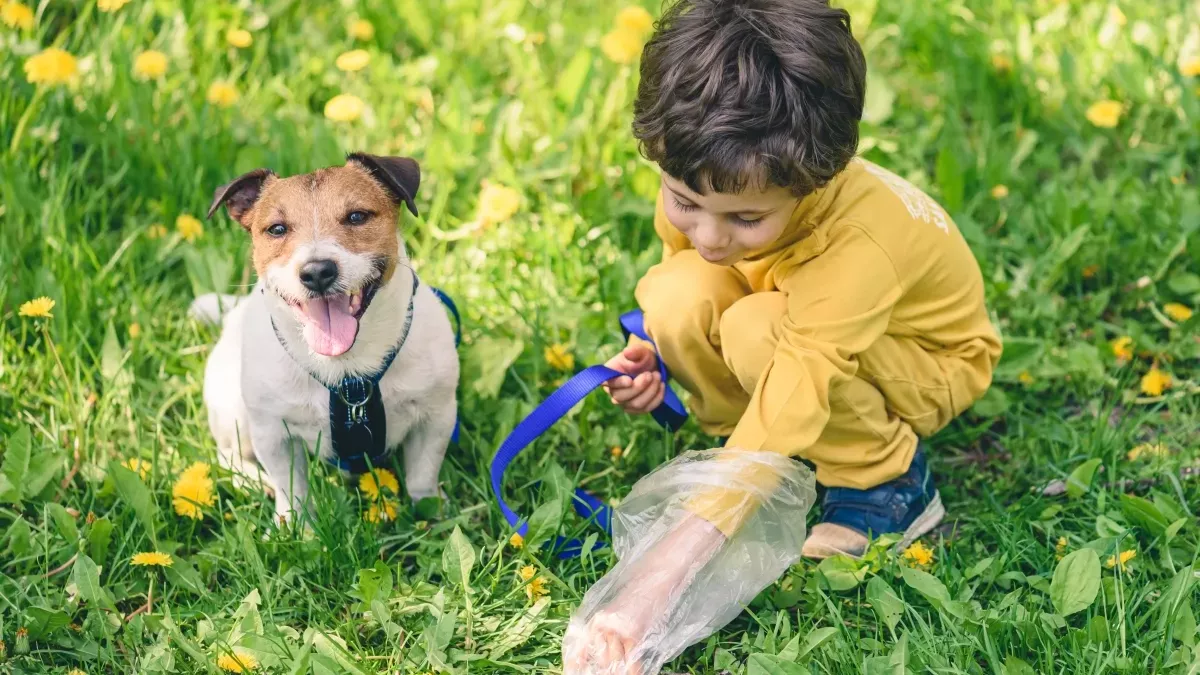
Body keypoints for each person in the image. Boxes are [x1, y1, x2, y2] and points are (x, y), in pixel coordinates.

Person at [565, 0, 1002, 672]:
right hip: (791, 319)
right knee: (681, 292)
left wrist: (657, 580)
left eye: (743, 217)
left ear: (812, 180)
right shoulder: (713, 167)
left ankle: (884, 480)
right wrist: (656, 351)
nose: (709, 235)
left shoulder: (856, 247)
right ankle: (754, 444)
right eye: (684, 201)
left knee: (757, 332)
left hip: (925, 359)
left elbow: (803, 364)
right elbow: (681, 269)